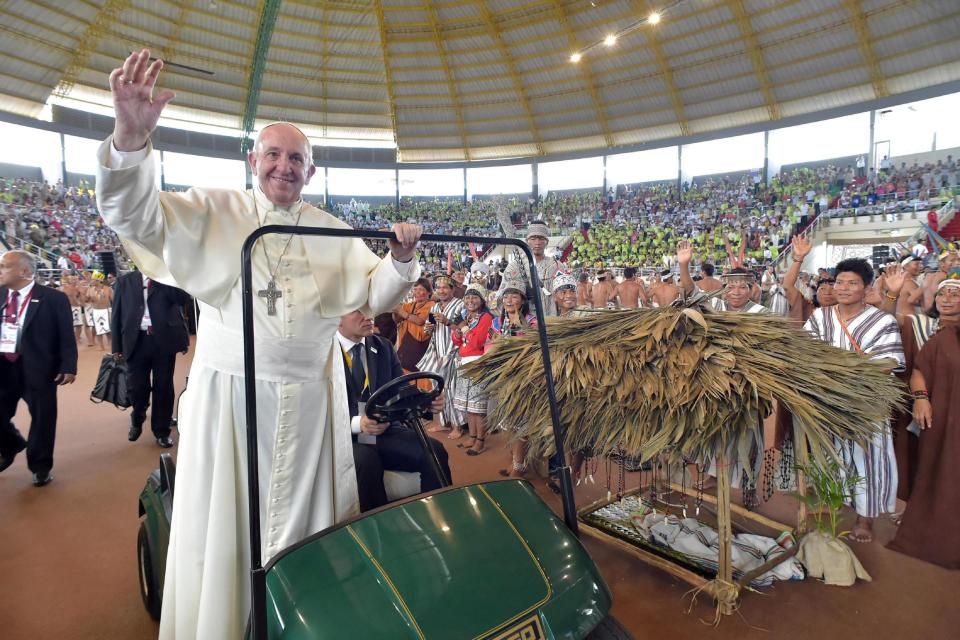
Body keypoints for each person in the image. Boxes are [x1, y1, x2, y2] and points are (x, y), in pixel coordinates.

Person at [95, 50, 422, 639]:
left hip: (312, 401)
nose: (284, 166)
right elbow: (134, 218)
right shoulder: (212, 211)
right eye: (273, 153)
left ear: (311, 172)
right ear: (253, 161)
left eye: (296, 158)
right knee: (226, 530)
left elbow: (376, 293)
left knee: (305, 535)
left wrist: (400, 259)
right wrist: (129, 140)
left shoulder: (332, 230)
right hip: (231, 403)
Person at [804, 258, 905, 543]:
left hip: (866, 403)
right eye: (839, 282)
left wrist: (850, 369)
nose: (844, 288)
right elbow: (805, 353)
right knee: (828, 454)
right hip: (828, 400)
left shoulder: (883, 321)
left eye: (852, 283)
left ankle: (865, 518)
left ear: (867, 288)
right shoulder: (819, 317)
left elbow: (890, 362)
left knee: (869, 458)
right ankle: (832, 499)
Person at [338, 310, 451, 512]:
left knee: (434, 450)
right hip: (344, 438)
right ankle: (376, 530)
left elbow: (399, 389)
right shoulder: (324, 355)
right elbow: (318, 411)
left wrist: (426, 401)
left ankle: (440, 516)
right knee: (366, 460)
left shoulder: (382, 346)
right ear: (337, 317)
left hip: (385, 430)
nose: (368, 316)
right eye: (358, 311)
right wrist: (357, 423)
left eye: (369, 309)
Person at [887, 274, 960, 568]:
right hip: (935, 415)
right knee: (929, 466)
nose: (947, 299)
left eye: (955, 294)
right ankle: (925, 516)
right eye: (943, 294)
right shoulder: (922, 326)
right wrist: (920, 397)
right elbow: (917, 367)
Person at [0, 250, 77, 487]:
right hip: (4, 367)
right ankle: (11, 443)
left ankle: (40, 466)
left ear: (23, 271)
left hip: (40, 368)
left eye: (4, 266)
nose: (0, 270)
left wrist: (68, 365)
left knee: (43, 418)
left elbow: (66, 334)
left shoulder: (53, 298)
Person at [111, 268, 191, 447]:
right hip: (135, 341)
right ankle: (137, 417)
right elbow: (116, 314)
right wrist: (116, 346)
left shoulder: (167, 277)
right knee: (137, 387)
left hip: (164, 341)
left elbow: (181, 299)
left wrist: (162, 277)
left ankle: (161, 430)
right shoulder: (125, 281)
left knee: (163, 386)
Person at [416, 275, 465, 436]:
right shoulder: (434, 308)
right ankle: (444, 422)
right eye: (438, 287)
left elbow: (464, 330)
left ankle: (457, 426)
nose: (441, 290)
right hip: (437, 352)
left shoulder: (460, 305)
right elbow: (427, 330)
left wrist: (448, 322)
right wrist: (427, 329)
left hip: (454, 352)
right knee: (439, 388)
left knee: (451, 388)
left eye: (445, 287)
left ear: (452, 289)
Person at [451, 283, 493, 457]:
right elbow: (458, 342)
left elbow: (477, 342)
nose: (470, 301)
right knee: (468, 405)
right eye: (467, 298)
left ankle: (480, 441)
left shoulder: (486, 318)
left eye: (474, 297)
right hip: (464, 361)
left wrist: (463, 328)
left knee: (477, 405)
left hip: (478, 363)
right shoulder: (466, 316)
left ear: (482, 300)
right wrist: (459, 332)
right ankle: (473, 436)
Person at [499, 222, 562, 316]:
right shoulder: (513, 268)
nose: (537, 242)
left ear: (547, 241)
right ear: (526, 241)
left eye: (541, 238)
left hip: (550, 320)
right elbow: (502, 295)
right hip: (523, 322)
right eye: (533, 238)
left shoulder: (556, 266)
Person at [393, 277, 433, 375]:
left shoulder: (432, 305)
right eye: (415, 289)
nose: (417, 292)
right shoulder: (409, 305)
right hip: (406, 347)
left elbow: (420, 321)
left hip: (423, 348)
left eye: (421, 289)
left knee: (422, 378)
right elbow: (397, 320)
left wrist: (401, 312)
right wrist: (395, 310)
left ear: (428, 292)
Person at [85, 272, 113, 350]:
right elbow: (86, 300)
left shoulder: (108, 289)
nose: (92, 281)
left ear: (98, 280)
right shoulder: (90, 289)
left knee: (108, 331)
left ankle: (110, 346)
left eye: (93, 280)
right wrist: (88, 298)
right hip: (96, 311)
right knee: (98, 330)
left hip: (106, 310)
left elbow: (114, 299)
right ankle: (102, 347)